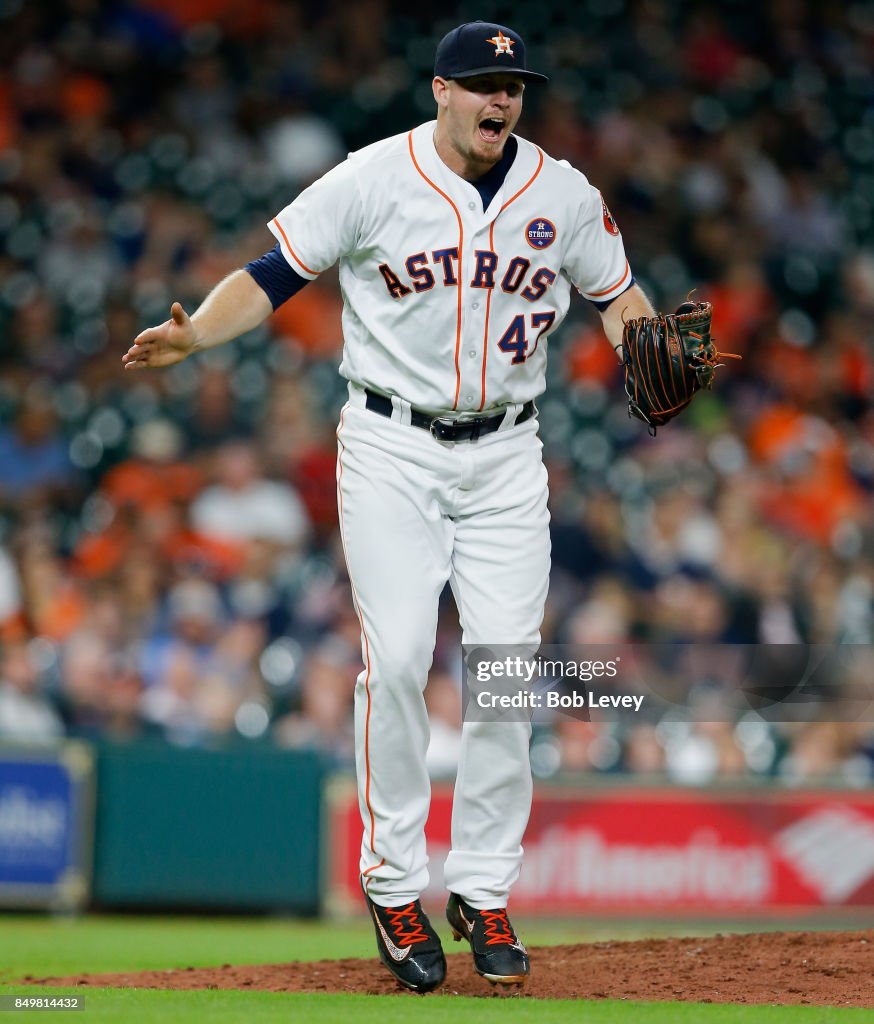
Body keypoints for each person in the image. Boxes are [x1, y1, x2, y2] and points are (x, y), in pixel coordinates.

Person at [123, 20, 655, 993]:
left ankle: (484, 888)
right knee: (401, 658)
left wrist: (645, 342)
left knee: (504, 675)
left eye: (515, 85)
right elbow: (274, 274)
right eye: (483, 84)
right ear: (440, 91)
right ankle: (394, 882)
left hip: (505, 452)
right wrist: (197, 333)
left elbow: (620, 298)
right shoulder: (373, 177)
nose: (502, 100)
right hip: (390, 444)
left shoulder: (563, 192)